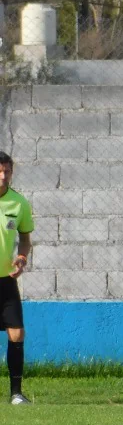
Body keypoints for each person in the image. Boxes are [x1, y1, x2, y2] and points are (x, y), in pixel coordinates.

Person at [0, 152, 35, 405]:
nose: (3, 177)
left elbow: (25, 238)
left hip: (5, 280)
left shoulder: (19, 203)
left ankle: (16, 393)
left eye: (7, 172)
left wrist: (22, 259)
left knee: (16, 334)